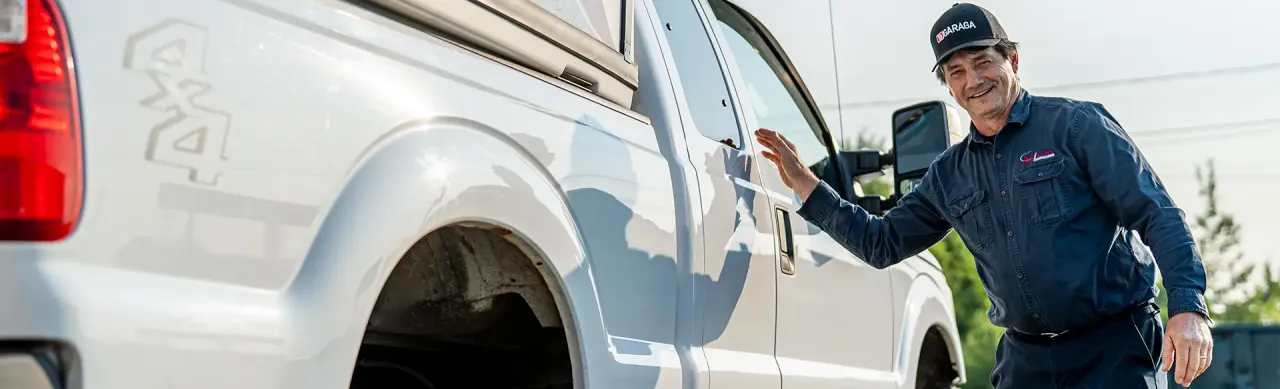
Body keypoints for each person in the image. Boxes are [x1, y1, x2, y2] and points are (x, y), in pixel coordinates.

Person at [754, 3, 1213, 388]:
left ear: (1013, 60)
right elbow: (881, 243)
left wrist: (1188, 307)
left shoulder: (1077, 127)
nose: (972, 80)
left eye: (982, 62)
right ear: (949, 87)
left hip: (1113, 350)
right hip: (1024, 362)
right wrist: (806, 185)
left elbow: (1157, 213)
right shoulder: (948, 175)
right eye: (956, 72)